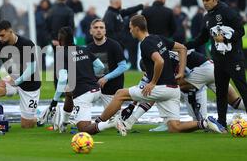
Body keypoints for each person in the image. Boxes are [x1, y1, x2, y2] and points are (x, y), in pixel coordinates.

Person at [90, 15, 225, 135]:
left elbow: (159, 61)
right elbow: (182, 48)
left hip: (160, 88)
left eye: (131, 28)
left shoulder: (145, 44)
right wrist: (181, 72)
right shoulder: (157, 38)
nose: (130, 30)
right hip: (173, 90)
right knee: (174, 127)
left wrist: (153, 82)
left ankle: (96, 124)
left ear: (137, 29)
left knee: (120, 94)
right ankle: (205, 123)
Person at [186, 0, 247, 128]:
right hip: (219, 61)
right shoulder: (207, 17)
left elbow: (241, 31)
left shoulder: (227, 11)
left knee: (243, 90)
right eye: (203, 1)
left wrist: (225, 38)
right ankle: (221, 123)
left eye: (207, 0)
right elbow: (201, 38)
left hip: (234, 59)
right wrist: (184, 45)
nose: (205, 3)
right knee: (221, 92)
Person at [40, 26, 105, 133]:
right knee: (69, 91)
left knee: (84, 130)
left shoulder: (61, 54)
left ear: (60, 41)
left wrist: (54, 102)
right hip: (97, 90)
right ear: (73, 38)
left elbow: (62, 80)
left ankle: (111, 123)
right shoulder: (84, 49)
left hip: (83, 95)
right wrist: (88, 75)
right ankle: (64, 123)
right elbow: (100, 67)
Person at [0, 20, 41, 129]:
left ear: (10, 31)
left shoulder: (26, 43)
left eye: (2, 35)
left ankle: (39, 117)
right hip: (12, 80)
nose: (0, 39)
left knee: (27, 125)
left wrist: (16, 82)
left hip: (29, 84)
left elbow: (31, 69)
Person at [87, 20, 129, 111]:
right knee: (79, 102)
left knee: (114, 119)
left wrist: (106, 78)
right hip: (94, 87)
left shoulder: (114, 45)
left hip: (112, 88)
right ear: (91, 31)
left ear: (105, 31)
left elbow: (123, 66)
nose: (99, 30)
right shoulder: (88, 48)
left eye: (101, 28)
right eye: (96, 27)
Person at [45, 0, 75, 87]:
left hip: (54, 42)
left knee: (58, 64)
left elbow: (46, 27)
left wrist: (53, 40)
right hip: (66, 42)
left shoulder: (51, 11)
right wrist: (66, 41)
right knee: (68, 64)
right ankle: (68, 86)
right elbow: (71, 27)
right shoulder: (69, 11)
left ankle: (58, 87)